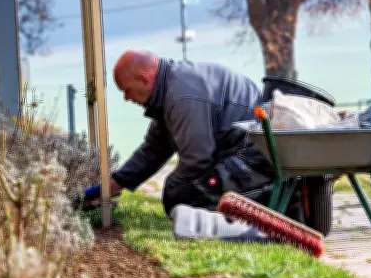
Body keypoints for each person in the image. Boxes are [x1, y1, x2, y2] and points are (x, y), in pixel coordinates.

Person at [100, 49, 279, 216]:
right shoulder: (171, 89)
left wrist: (173, 186)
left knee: (179, 194)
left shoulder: (181, 96)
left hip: (252, 159)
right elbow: (153, 150)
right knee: (178, 193)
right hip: (238, 153)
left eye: (126, 90)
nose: (127, 98)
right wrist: (117, 182)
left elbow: (197, 158)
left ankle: (259, 209)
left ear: (144, 79)